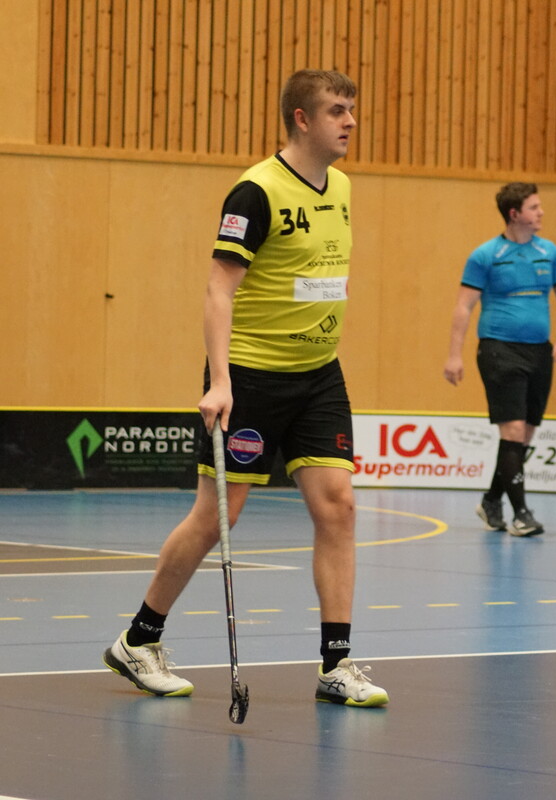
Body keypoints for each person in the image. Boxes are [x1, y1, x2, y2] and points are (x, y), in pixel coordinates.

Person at [102, 70, 388, 707]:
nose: (350, 121)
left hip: (319, 374)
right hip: (252, 376)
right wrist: (220, 380)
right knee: (217, 517)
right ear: (301, 119)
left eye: (352, 109)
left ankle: (336, 664)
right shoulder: (256, 192)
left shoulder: (341, 186)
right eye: (337, 110)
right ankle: (138, 640)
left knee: (338, 506)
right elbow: (218, 289)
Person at [443, 183, 556, 537]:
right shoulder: (486, 255)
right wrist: (454, 356)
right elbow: (463, 307)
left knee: (523, 436)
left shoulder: (549, 252)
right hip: (499, 349)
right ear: (514, 214)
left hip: (539, 351)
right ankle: (521, 514)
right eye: (534, 207)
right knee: (514, 430)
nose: (541, 212)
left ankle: (491, 501)